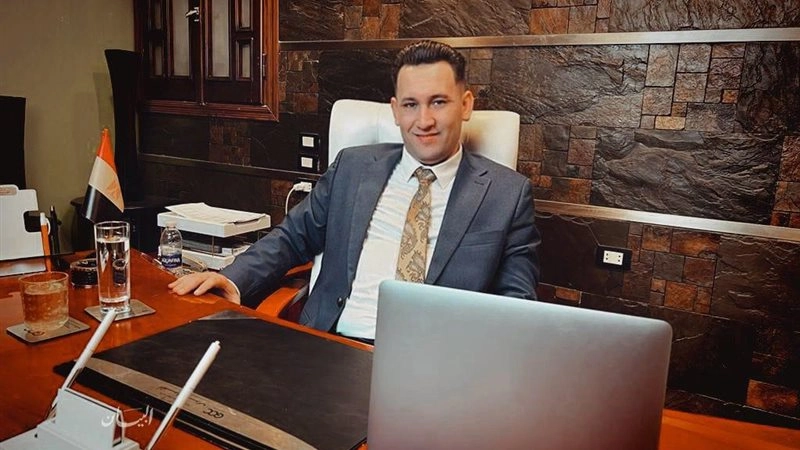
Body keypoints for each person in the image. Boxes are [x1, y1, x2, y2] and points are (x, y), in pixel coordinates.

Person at [170, 40, 541, 341]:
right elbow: (292, 237)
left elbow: (517, 305)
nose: (424, 120)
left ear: (466, 105)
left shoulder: (507, 195)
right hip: (334, 345)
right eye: (410, 105)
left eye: (439, 102)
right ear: (395, 111)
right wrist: (233, 277)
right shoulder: (353, 167)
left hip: (436, 366)